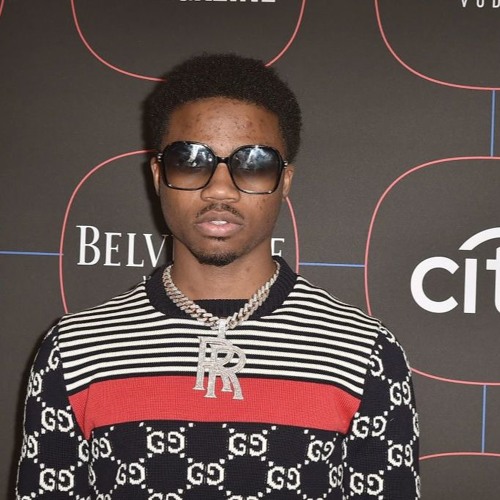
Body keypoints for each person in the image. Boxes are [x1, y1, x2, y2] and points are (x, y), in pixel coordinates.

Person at [16, 53, 419, 499]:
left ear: (284, 181)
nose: (220, 189)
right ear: (158, 175)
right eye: (190, 160)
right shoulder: (75, 350)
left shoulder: (363, 353)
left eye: (254, 163)